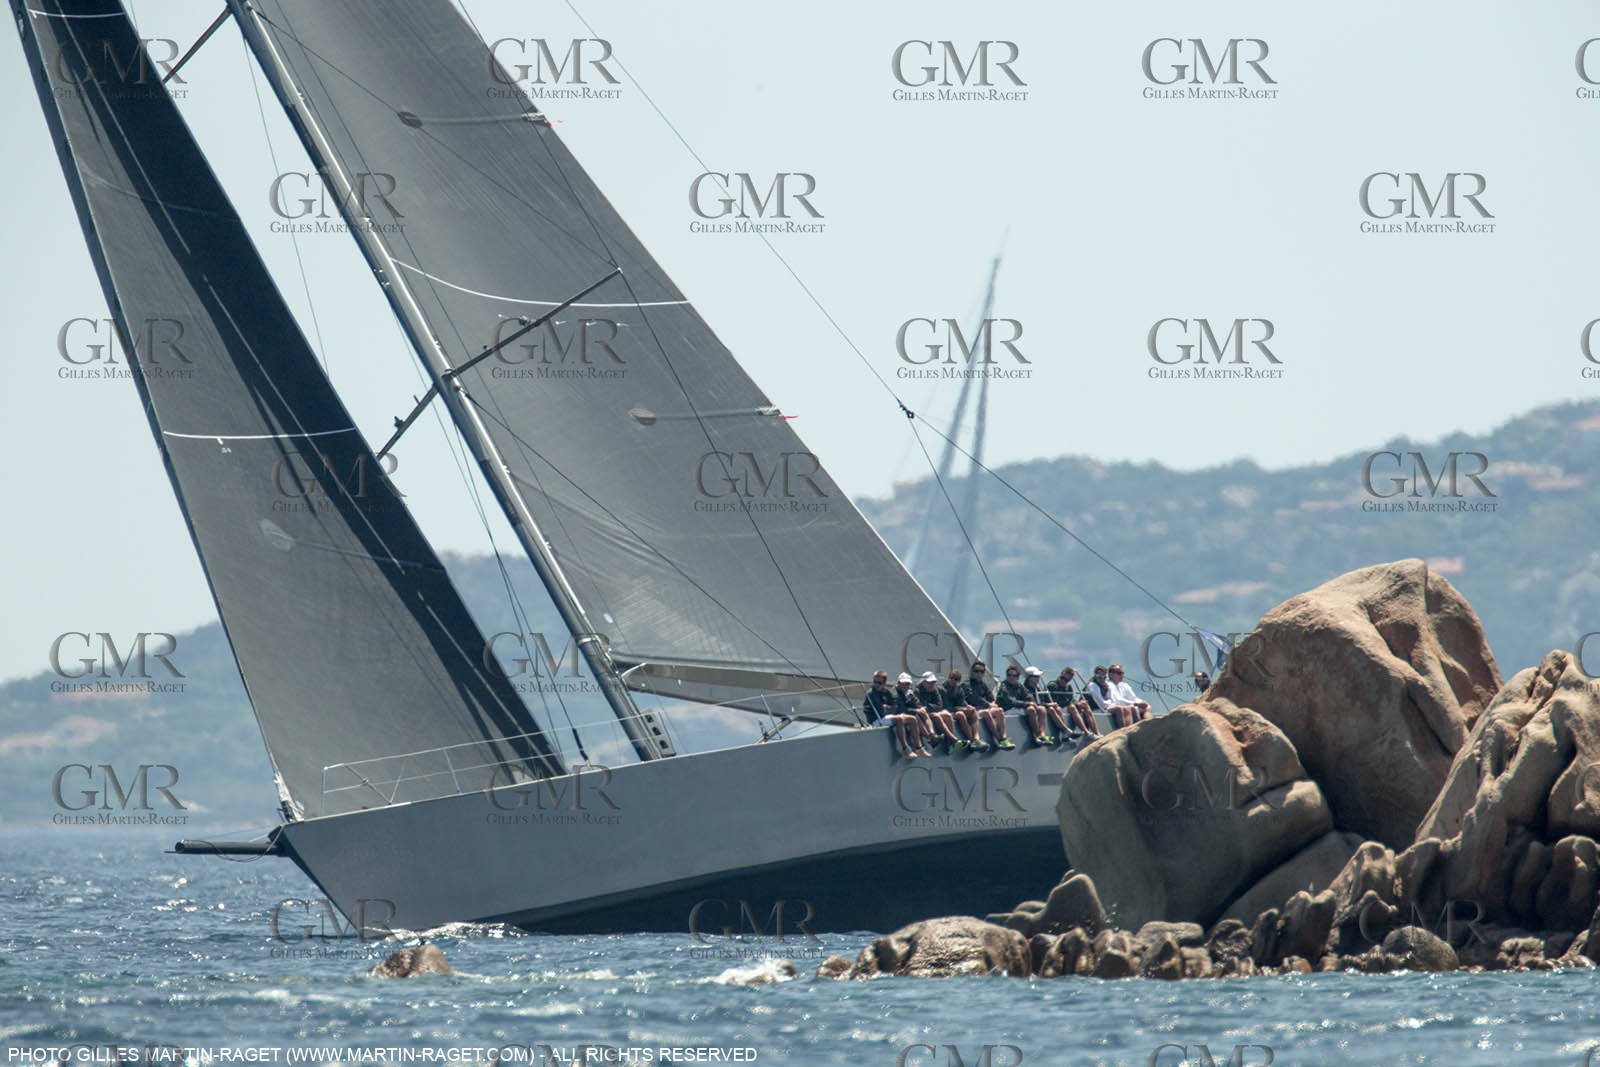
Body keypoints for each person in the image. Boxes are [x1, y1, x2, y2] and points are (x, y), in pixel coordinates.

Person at [863, 669, 925, 757]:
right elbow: (881, 711)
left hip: (886, 716)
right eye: (875, 682)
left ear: (884, 683)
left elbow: (895, 705)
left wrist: (887, 707)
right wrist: (888, 708)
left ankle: (919, 747)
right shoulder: (871, 693)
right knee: (899, 719)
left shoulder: (886, 692)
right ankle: (905, 748)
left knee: (912, 719)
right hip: (876, 719)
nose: (876, 684)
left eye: (879, 683)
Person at [964, 660, 1014, 750]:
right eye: (976, 671)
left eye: (981, 672)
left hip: (983, 708)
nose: (979, 674)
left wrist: (993, 704)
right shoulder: (967, 684)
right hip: (973, 711)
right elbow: (974, 698)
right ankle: (997, 738)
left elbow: (991, 698)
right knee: (986, 712)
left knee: (1000, 711)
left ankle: (1003, 737)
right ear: (972, 672)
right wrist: (989, 705)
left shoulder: (983, 685)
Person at [997, 664, 1051, 746]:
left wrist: (1032, 702)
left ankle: (1042, 734)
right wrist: (1028, 703)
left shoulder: (1019, 686)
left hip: (1016, 708)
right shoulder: (1003, 686)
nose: (1011, 677)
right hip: (1007, 709)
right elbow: (1010, 701)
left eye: (1014, 675)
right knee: (1031, 710)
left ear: (1018, 677)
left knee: (1041, 709)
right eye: (1009, 675)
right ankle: (1037, 735)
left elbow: (1028, 695)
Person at [939, 668, 989, 752]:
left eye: (956, 679)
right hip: (947, 711)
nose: (953, 680)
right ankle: (971, 740)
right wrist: (962, 709)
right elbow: (946, 706)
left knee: (973, 712)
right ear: (948, 677)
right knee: (960, 715)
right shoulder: (943, 689)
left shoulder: (958, 688)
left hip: (956, 709)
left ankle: (976, 738)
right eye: (951, 678)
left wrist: (968, 707)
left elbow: (962, 701)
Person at [916, 671, 966, 751]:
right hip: (922, 715)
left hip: (930, 711)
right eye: (929, 682)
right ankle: (953, 740)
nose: (932, 684)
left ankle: (950, 743)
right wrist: (927, 708)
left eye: (933, 682)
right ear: (923, 682)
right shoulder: (917, 691)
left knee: (947, 715)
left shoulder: (935, 690)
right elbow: (918, 705)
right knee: (937, 716)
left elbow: (939, 705)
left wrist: (927, 707)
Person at [1022, 665, 1072, 744]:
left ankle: (1064, 732)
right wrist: (1048, 705)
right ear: (1029, 678)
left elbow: (1041, 701)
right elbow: (1033, 702)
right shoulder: (1025, 688)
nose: (1038, 678)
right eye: (1035, 677)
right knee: (1047, 709)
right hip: (1032, 708)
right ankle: (1041, 733)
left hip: (1039, 707)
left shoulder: (1037, 688)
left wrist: (1050, 704)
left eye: (1038, 676)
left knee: (1056, 708)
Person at [1047, 666, 1100, 739]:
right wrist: (1073, 704)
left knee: (1086, 706)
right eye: (1063, 678)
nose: (1064, 681)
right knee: (1072, 707)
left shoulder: (1068, 687)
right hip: (1057, 707)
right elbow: (1056, 701)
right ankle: (1086, 732)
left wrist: (1079, 703)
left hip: (1064, 706)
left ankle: (1096, 732)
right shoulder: (1053, 685)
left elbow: (1071, 699)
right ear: (1061, 675)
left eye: (1067, 680)